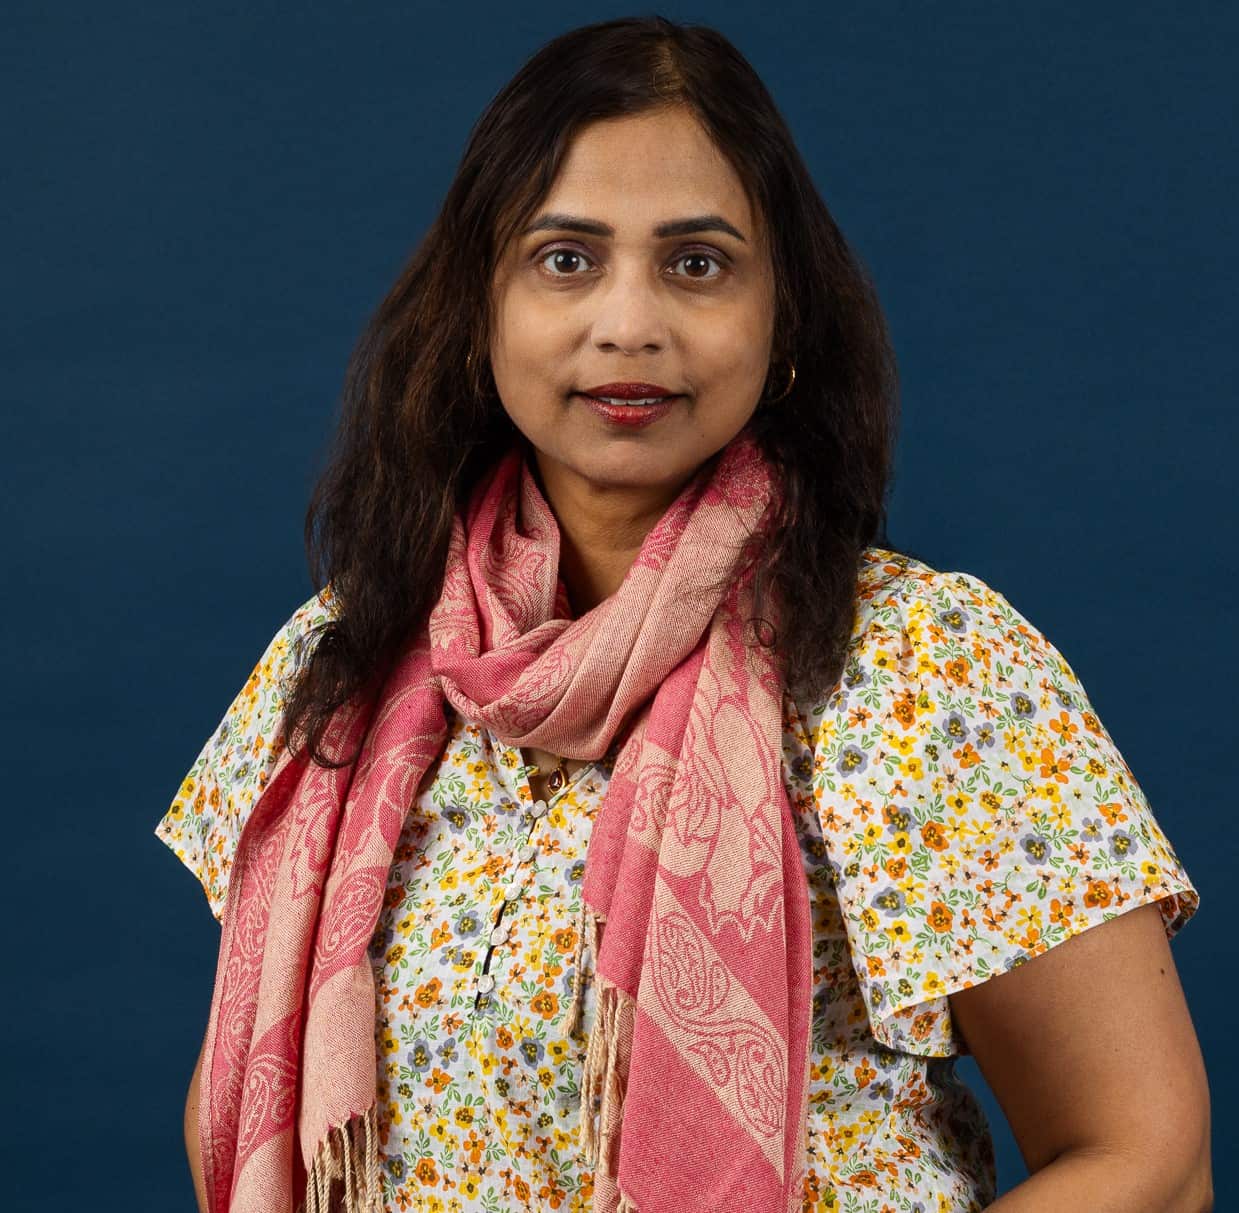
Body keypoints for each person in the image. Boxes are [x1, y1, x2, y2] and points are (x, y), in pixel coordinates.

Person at [155, 15, 1211, 1213]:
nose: (630, 323)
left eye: (697, 263)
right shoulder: (341, 660)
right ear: (479, 311)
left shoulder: (928, 669)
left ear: (784, 319)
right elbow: (240, 1109)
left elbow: (1148, 1158)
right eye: (565, 258)